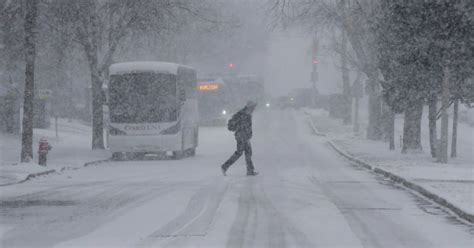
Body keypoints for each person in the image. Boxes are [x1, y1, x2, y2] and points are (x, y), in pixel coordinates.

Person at [221, 101, 258, 176]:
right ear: (249, 107)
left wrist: (248, 135)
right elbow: (244, 126)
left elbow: (248, 127)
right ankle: (225, 166)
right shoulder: (243, 114)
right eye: (253, 107)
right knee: (239, 153)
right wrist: (244, 133)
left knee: (247, 152)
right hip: (241, 137)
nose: (254, 109)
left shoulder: (246, 114)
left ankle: (250, 170)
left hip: (244, 136)